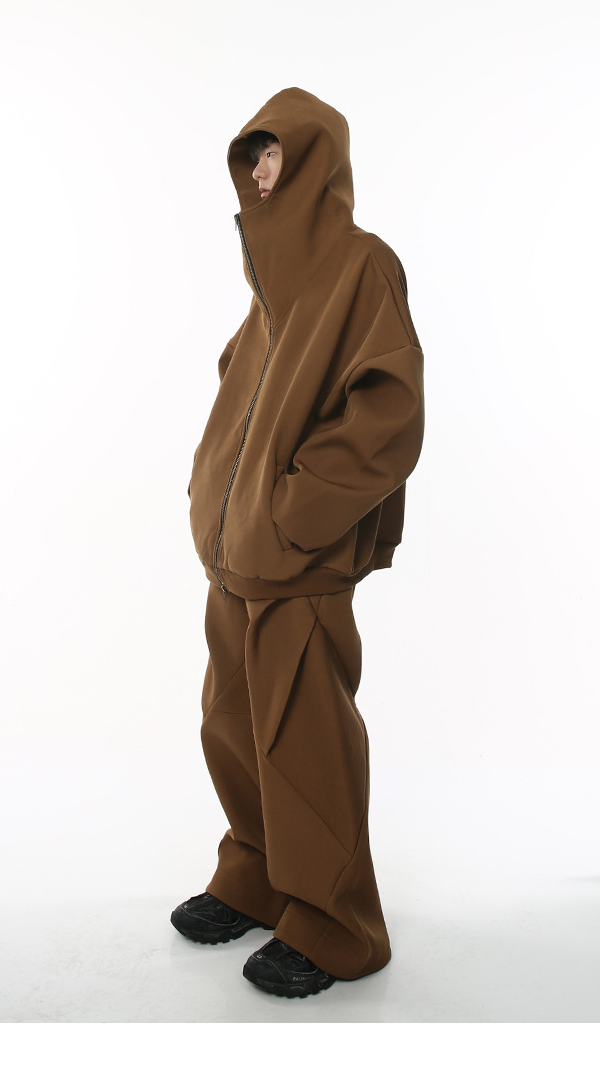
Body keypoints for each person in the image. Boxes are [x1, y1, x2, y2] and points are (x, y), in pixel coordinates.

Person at [173, 87, 425, 999]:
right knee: (232, 723)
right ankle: (256, 874)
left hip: (299, 559)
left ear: (317, 158)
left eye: (276, 153)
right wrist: (216, 491)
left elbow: (388, 412)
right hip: (234, 553)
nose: (262, 171)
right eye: (255, 155)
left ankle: (336, 922)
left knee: (305, 739)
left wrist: (295, 513)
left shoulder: (362, 266)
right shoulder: (267, 282)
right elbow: (240, 390)